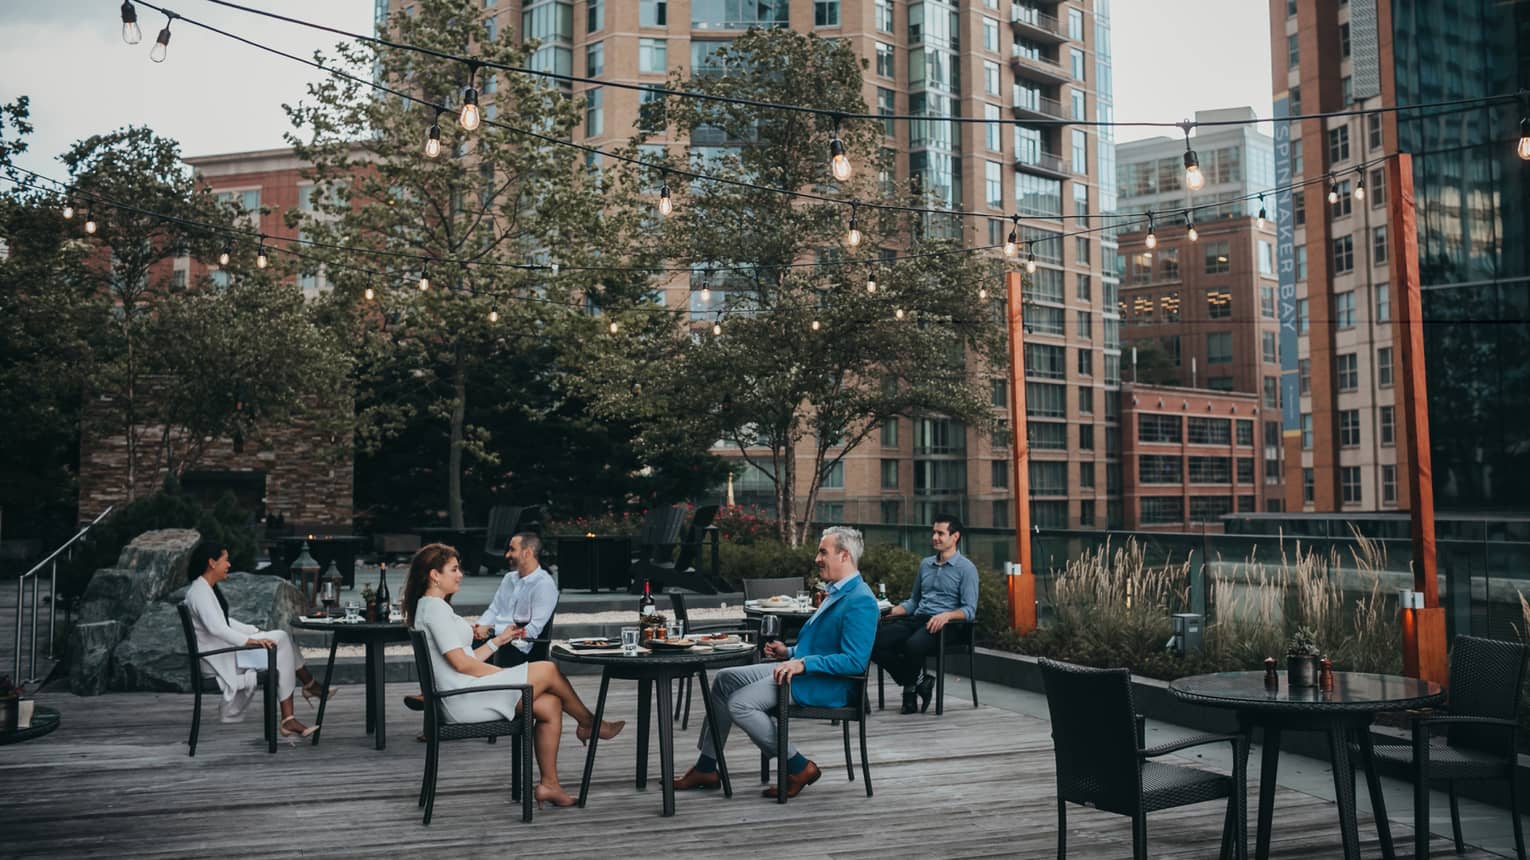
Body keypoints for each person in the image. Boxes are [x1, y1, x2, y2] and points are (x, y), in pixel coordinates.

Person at [404, 543, 623, 808]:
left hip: (465, 691)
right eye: (453, 569)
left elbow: (466, 659)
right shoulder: (435, 610)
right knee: (547, 669)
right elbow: (461, 664)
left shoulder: (432, 607)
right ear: (434, 575)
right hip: (461, 701)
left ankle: (549, 785)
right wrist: (507, 674)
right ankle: (590, 722)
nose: (460, 574)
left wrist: (499, 641)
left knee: (550, 704)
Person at [673, 526, 878, 800]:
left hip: (826, 684)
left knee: (740, 703)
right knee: (725, 679)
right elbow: (822, 645)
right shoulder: (838, 591)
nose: (817, 558)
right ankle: (707, 767)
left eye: (822, 552)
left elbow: (854, 662)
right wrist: (789, 653)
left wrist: (803, 664)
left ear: (843, 555)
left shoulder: (861, 600)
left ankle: (798, 766)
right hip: (803, 670)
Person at [183, 539, 329, 738]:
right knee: (281, 641)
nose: (229, 565)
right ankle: (296, 706)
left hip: (226, 654)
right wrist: (249, 641)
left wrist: (254, 632)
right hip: (219, 660)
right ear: (212, 562)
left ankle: (301, 700)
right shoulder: (199, 593)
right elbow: (216, 628)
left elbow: (226, 622)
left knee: (281, 641)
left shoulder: (204, 589)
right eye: (226, 560)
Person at [871, 514, 978, 714]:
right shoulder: (925, 564)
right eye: (933, 533)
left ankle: (909, 694)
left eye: (940, 533)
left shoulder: (967, 569)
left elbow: (969, 610)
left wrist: (946, 616)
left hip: (947, 626)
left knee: (912, 645)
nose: (935, 537)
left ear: (955, 537)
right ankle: (920, 681)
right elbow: (914, 602)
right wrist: (889, 611)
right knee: (874, 641)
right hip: (918, 619)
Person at [472, 532, 557, 668]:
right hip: (495, 639)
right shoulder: (509, 578)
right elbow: (494, 610)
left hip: (517, 646)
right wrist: (479, 628)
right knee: (461, 646)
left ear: (527, 553)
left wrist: (491, 631)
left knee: (469, 657)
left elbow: (532, 630)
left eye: (512, 550)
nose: (507, 555)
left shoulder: (544, 584)